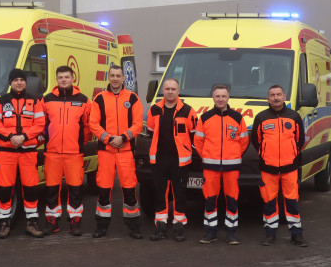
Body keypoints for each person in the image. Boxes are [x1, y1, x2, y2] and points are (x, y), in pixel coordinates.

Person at [0, 68, 46, 239]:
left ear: (25, 82)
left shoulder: (34, 101)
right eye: (15, 80)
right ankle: (4, 223)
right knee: (5, 188)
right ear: (10, 82)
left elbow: (40, 123)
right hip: (7, 152)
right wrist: (12, 137)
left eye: (22, 79)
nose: (19, 82)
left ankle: (32, 222)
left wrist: (25, 137)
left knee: (31, 188)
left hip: (28, 152)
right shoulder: (1, 101)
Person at [89, 64, 144, 239]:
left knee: (129, 189)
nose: (115, 78)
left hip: (126, 151)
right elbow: (93, 124)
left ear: (123, 78)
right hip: (106, 151)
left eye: (118, 76)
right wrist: (109, 138)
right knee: (104, 189)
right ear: (109, 77)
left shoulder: (133, 98)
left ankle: (134, 226)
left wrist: (123, 137)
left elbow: (137, 124)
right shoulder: (99, 99)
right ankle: (102, 226)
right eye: (112, 75)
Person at [251, 84, 307, 247]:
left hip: (290, 168)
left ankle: (297, 235)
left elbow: (300, 140)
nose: (276, 97)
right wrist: (266, 154)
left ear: (284, 97)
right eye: (272, 95)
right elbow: (256, 141)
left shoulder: (294, 116)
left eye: (279, 94)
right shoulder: (261, 117)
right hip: (268, 169)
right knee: (269, 202)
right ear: (268, 98)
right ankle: (270, 234)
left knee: (292, 202)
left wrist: (291, 155)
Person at [194, 84, 249, 245]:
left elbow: (244, 141)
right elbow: (198, 141)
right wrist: (207, 155)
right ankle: (210, 232)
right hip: (210, 167)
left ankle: (231, 233)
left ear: (228, 97)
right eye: (217, 96)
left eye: (223, 96)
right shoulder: (205, 118)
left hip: (232, 167)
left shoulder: (238, 118)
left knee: (232, 199)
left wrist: (235, 154)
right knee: (210, 200)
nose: (220, 99)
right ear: (213, 97)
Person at [146, 78, 197, 242]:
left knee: (179, 193)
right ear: (163, 90)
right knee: (160, 193)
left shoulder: (188, 111)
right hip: (159, 159)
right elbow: (150, 132)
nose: (170, 92)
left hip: (180, 160)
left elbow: (194, 134)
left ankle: (178, 225)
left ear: (178, 91)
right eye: (167, 89)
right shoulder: (154, 109)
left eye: (173, 89)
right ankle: (160, 225)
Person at [41, 65, 91, 236]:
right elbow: (41, 125)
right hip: (52, 154)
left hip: (74, 154)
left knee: (76, 189)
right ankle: (52, 222)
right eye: (60, 77)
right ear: (56, 79)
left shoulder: (83, 100)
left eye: (67, 77)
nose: (64, 80)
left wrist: (78, 145)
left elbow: (87, 126)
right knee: (51, 190)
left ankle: (75, 222)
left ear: (73, 78)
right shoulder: (46, 100)